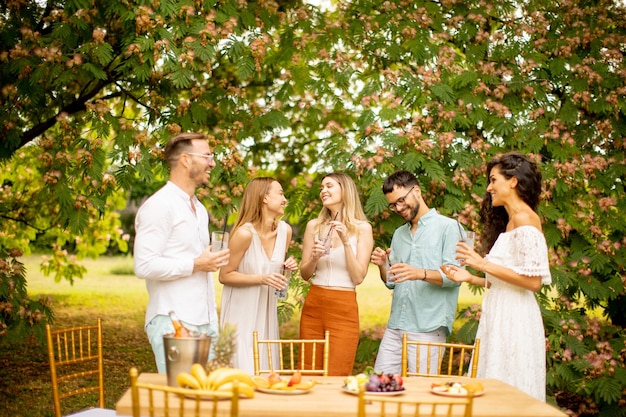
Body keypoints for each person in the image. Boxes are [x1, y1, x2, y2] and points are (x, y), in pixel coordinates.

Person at [441, 152, 551, 401]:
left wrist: (482, 264)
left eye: (493, 180)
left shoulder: (526, 219)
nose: (489, 188)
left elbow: (533, 282)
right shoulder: (512, 221)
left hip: (516, 318)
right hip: (500, 314)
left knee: (510, 384)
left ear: (512, 181)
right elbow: (505, 283)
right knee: (493, 378)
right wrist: (470, 278)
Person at [133, 132, 230, 373]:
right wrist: (197, 264)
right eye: (207, 155)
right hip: (172, 321)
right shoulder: (159, 206)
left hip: (206, 322)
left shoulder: (198, 208)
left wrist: (207, 263)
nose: (213, 162)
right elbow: (144, 266)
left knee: (209, 405)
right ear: (185, 160)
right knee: (182, 406)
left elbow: (197, 262)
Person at [370, 170, 461, 375]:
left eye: (402, 200)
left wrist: (420, 273)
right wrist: (383, 265)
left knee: (421, 392)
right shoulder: (399, 233)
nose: (399, 208)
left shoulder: (449, 227)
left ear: (417, 191)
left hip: (428, 328)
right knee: (379, 384)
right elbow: (392, 281)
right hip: (395, 326)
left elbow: (455, 276)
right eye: (393, 205)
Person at [219, 177, 297, 375]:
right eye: (280, 193)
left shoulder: (285, 231)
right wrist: (260, 278)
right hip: (240, 316)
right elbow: (225, 275)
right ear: (264, 197)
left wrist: (286, 269)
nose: (284, 199)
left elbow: (278, 282)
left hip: (266, 316)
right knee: (241, 375)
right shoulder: (244, 234)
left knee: (266, 375)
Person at [299, 173, 373, 376]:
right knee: (308, 370)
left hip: (344, 306)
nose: (323, 191)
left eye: (329, 186)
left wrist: (346, 241)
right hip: (314, 304)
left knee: (337, 371)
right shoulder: (314, 226)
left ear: (345, 190)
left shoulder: (362, 229)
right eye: (322, 187)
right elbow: (305, 274)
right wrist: (314, 258)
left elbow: (358, 277)